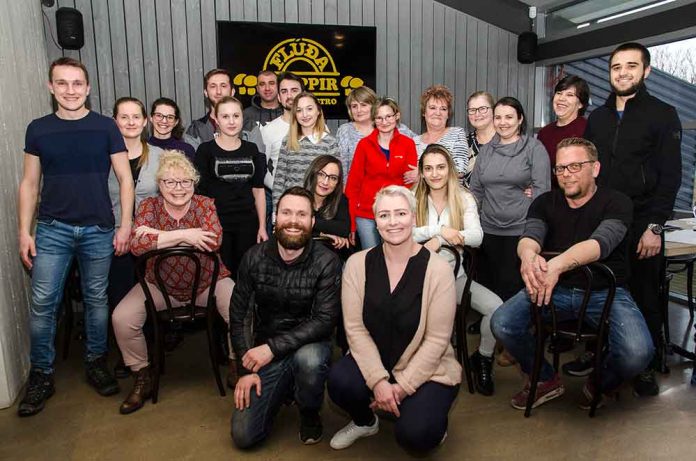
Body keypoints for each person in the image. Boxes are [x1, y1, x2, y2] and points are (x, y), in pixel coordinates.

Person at [490, 137, 654, 410]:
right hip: (554, 290)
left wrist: (556, 265)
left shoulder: (617, 202)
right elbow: (530, 236)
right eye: (560, 168)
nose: (566, 174)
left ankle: (600, 382)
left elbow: (600, 244)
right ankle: (544, 379)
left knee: (638, 353)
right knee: (502, 323)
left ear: (595, 168)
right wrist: (528, 256)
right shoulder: (545, 202)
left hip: (606, 291)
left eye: (575, 166)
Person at [17, 57, 134, 416]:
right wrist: (24, 231)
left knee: (96, 299)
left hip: (99, 229)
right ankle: (41, 374)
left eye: (77, 83)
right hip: (52, 230)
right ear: (51, 87)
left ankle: (96, 362)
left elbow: (125, 179)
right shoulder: (38, 129)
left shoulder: (106, 127)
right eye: (62, 83)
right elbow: (30, 184)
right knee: (43, 303)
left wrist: (125, 225)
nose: (70, 90)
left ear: (88, 88)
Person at [328, 185, 461, 453]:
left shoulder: (438, 270)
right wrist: (378, 381)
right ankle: (366, 422)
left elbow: (437, 340)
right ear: (375, 222)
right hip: (375, 359)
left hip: (426, 368)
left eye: (400, 213)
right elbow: (354, 329)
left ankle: (431, 420)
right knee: (339, 381)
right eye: (384, 215)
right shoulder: (356, 264)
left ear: (413, 217)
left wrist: (401, 387)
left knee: (416, 435)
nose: (393, 222)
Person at [584, 42, 682, 396]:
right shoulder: (598, 118)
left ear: (646, 71)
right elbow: (588, 170)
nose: (622, 73)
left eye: (631, 66)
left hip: (643, 223)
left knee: (645, 296)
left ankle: (646, 365)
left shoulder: (663, 114)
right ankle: (601, 353)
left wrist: (655, 227)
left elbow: (671, 177)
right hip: (603, 222)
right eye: (616, 67)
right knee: (600, 292)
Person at [111, 150, 236, 414]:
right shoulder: (149, 206)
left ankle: (237, 363)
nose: (178, 188)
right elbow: (137, 245)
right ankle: (142, 375)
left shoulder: (204, 204)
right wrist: (188, 235)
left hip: (207, 283)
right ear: (160, 184)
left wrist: (158, 235)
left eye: (185, 182)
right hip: (159, 286)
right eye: (170, 182)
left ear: (194, 183)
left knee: (240, 308)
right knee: (122, 318)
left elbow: (214, 240)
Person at [230, 187, 342, 448]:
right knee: (244, 436)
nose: (293, 221)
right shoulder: (253, 257)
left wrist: (271, 348)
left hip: (308, 345)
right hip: (267, 351)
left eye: (302, 214)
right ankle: (286, 385)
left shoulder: (327, 261)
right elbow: (239, 315)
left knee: (310, 361)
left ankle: (309, 411)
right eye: (287, 213)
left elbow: (325, 320)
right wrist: (245, 369)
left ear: (312, 222)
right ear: (275, 217)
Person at [412, 144, 503, 395]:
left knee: (496, 309)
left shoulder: (463, 198)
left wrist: (441, 240)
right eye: (428, 168)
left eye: (440, 167)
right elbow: (402, 232)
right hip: (419, 283)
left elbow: (476, 237)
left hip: (455, 280)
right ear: (422, 172)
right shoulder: (411, 197)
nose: (435, 174)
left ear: (450, 169)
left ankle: (483, 357)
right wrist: (438, 231)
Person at [469, 96, 551, 302]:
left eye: (509, 117)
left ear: (520, 119)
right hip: (488, 231)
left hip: (520, 232)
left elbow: (543, 191)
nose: (503, 122)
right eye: (498, 117)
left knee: (513, 290)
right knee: (489, 288)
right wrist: (472, 223)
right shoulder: (486, 151)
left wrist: (531, 203)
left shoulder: (534, 148)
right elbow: (476, 190)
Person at [194, 96, 268, 279]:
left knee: (246, 275)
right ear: (216, 120)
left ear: (242, 118)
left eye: (236, 116)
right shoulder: (205, 150)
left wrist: (262, 226)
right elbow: (200, 195)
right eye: (225, 116)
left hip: (248, 224)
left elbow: (258, 190)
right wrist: (204, 226)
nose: (231, 121)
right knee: (221, 277)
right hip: (217, 224)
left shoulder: (252, 149)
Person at [107, 97, 163, 309]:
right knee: (119, 297)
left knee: (152, 298)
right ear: (115, 121)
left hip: (150, 239)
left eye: (136, 117)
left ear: (145, 121)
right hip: (114, 239)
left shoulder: (160, 156)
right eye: (124, 117)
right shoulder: (103, 157)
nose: (131, 122)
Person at [345, 98, 418, 249]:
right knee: (371, 256)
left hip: (395, 214)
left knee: (396, 255)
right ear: (374, 120)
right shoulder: (364, 145)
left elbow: (409, 184)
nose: (384, 122)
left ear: (397, 116)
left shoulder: (408, 144)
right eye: (379, 118)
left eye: (388, 116)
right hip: (366, 214)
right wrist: (351, 224)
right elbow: (353, 186)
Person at [271, 92, 340, 212]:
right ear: (295, 115)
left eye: (309, 109)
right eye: (299, 110)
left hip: (318, 209)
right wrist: (276, 211)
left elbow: (335, 181)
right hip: (290, 207)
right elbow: (279, 180)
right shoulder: (288, 141)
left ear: (318, 111)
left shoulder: (330, 142)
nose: (305, 114)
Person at [336, 86, 416, 176]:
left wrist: (419, 171)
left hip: (396, 183)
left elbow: (420, 147)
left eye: (363, 105)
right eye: (354, 106)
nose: (359, 110)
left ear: (374, 106)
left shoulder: (399, 128)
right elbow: (341, 165)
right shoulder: (345, 130)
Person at [260, 72, 304, 226]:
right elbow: (262, 169)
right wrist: (280, 188)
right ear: (278, 97)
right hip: (279, 200)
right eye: (284, 91)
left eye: (294, 90)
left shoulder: (319, 127)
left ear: (303, 94)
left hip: (311, 201)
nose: (289, 96)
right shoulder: (268, 130)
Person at [413, 85, 468, 178]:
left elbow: (460, 170)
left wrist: (420, 173)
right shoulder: (414, 142)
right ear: (423, 112)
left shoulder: (457, 133)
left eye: (443, 109)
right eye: (432, 108)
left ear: (448, 114)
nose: (438, 113)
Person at [537, 75, 590, 171]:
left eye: (569, 95)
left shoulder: (588, 129)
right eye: (559, 93)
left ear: (580, 104)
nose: (561, 98)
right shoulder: (544, 133)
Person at [303, 155, 351, 251]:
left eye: (333, 178)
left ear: (338, 183)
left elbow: (344, 229)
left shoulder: (341, 199)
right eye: (321, 174)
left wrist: (312, 223)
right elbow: (292, 226)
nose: (325, 182)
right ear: (312, 174)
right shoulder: (299, 198)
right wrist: (322, 234)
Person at [185, 68, 235, 148]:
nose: (218, 91)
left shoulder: (247, 125)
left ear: (232, 92)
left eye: (223, 86)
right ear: (206, 93)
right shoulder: (196, 129)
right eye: (213, 86)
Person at [464, 91, 496, 186]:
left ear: (494, 110)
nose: (477, 114)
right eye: (472, 110)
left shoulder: (508, 141)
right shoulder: (463, 144)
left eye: (482, 109)